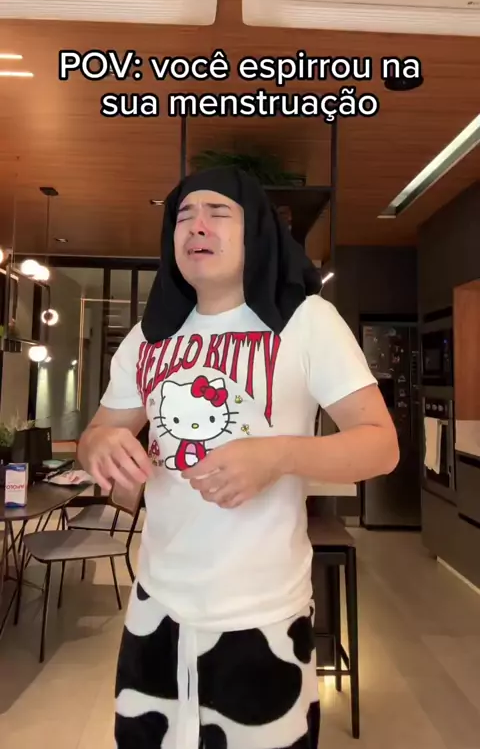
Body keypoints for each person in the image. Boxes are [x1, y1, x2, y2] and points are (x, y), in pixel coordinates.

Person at [78, 166, 399, 749]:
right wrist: (98, 443)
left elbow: (381, 445)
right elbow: (98, 432)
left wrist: (278, 456)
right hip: (155, 604)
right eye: (183, 216)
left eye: (217, 212)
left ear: (255, 231)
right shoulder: (149, 336)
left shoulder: (305, 321)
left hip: (264, 612)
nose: (196, 225)